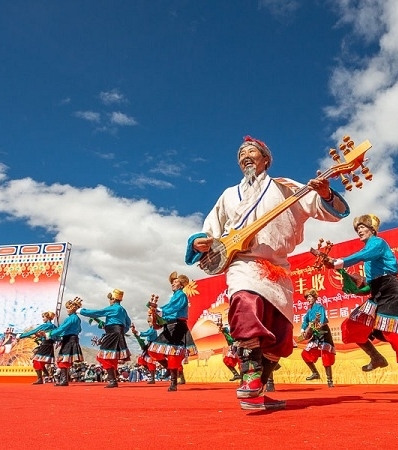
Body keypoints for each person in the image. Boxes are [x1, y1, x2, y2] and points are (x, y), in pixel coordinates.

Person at [186, 135, 350, 410]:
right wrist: (198, 242)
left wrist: (324, 193)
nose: (245, 157)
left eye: (251, 152)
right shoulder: (229, 195)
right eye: (241, 154)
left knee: (281, 334)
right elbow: (210, 230)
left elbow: (328, 211)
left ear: (266, 159)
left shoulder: (285, 187)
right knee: (245, 305)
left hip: (277, 268)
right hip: (242, 262)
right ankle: (250, 377)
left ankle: (256, 392)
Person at [333, 214, 398, 398]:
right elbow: (368, 288)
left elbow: (365, 255)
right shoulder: (369, 261)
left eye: (363, 227)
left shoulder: (378, 243)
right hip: (377, 295)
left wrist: (342, 262)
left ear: (372, 229)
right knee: (352, 326)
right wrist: (351, 284)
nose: (359, 231)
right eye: (357, 229)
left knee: (397, 336)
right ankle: (376, 357)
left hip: (392, 294)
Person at [147, 272, 198, 392]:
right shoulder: (174, 297)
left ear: (181, 285)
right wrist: (156, 311)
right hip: (169, 326)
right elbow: (168, 308)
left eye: (175, 282)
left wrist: (159, 310)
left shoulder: (181, 295)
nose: (172, 284)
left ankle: (173, 382)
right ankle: (170, 370)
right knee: (153, 350)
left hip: (177, 326)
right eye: (172, 282)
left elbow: (173, 307)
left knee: (173, 355)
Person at [80, 288, 132, 388]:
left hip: (112, 334)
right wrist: (120, 331)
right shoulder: (122, 310)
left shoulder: (113, 308)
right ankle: (113, 379)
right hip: (117, 333)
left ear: (113, 299)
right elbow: (128, 323)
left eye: (110, 298)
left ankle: (112, 380)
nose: (109, 301)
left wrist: (81, 310)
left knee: (103, 356)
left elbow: (97, 312)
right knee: (112, 357)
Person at [298, 289, 336, 387]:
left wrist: (312, 327)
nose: (308, 299)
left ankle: (330, 380)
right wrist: (303, 330)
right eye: (307, 297)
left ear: (315, 298)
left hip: (323, 333)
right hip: (315, 334)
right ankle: (315, 373)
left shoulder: (319, 307)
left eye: (310, 297)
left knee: (326, 355)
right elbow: (305, 321)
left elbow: (321, 320)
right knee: (305, 353)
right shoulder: (309, 311)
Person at [46, 297, 84, 386]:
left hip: (69, 340)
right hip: (73, 339)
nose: (67, 310)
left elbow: (62, 328)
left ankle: (64, 380)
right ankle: (64, 380)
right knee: (65, 359)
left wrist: (50, 334)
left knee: (63, 359)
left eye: (68, 308)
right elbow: (79, 330)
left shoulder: (70, 318)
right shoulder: (77, 319)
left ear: (73, 308)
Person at [18, 311, 58, 385]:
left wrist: (21, 336)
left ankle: (41, 378)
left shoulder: (45, 326)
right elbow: (55, 337)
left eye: (44, 317)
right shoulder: (54, 327)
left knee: (36, 361)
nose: (43, 319)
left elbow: (33, 331)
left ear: (47, 318)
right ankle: (47, 375)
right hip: (49, 345)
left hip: (44, 345)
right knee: (40, 362)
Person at [131, 310, 165, 385]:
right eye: (148, 322)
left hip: (152, 347)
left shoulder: (153, 330)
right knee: (143, 360)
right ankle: (152, 375)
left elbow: (146, 334)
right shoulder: (151, 329)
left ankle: (153, 377)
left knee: (150, 362)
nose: (149, 323)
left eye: (150, 322)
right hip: (149, 347)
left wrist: (137, 332)